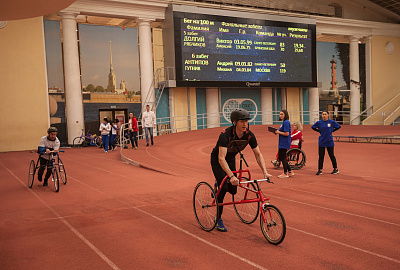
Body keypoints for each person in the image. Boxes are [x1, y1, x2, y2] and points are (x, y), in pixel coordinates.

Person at [211, 109, 272, 232]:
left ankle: (220, 183)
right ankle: (218, 219)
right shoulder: (225, 135)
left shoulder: (249, 135)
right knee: (223, 189)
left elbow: (258, 155)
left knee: (233, 191)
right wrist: (231, 177)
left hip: (231, 159)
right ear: (234, 122)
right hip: (218, 160)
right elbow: (221, 159)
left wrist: (265, 172)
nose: (245, 124)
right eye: (242, 121)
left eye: (246, 121)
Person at [312, 111, 341, 175]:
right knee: (321, 156)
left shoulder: (331, 122)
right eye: (323, 114)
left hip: (329, 141)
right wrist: (319, 131)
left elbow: (338, 126)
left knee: (331, 155)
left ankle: (335, 169)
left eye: (325, 114)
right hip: (322, 141)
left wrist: (332, 131)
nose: (324, 115)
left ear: (328, 115)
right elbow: (313, 127)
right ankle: (320, 169)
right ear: (321, 115)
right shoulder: (319, 122)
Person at [273, 110, 292, 178]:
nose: (280, 115)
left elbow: (287, 133)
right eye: (280, 114)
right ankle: (289, 171)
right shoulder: (284, 122)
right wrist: (277, 132)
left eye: (282, 114)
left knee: (282, 157)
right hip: (282, 142)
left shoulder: (286, 122)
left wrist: (278, 132)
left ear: (285, 115)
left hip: (284, 142)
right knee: (282, 156)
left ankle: (285, 173)